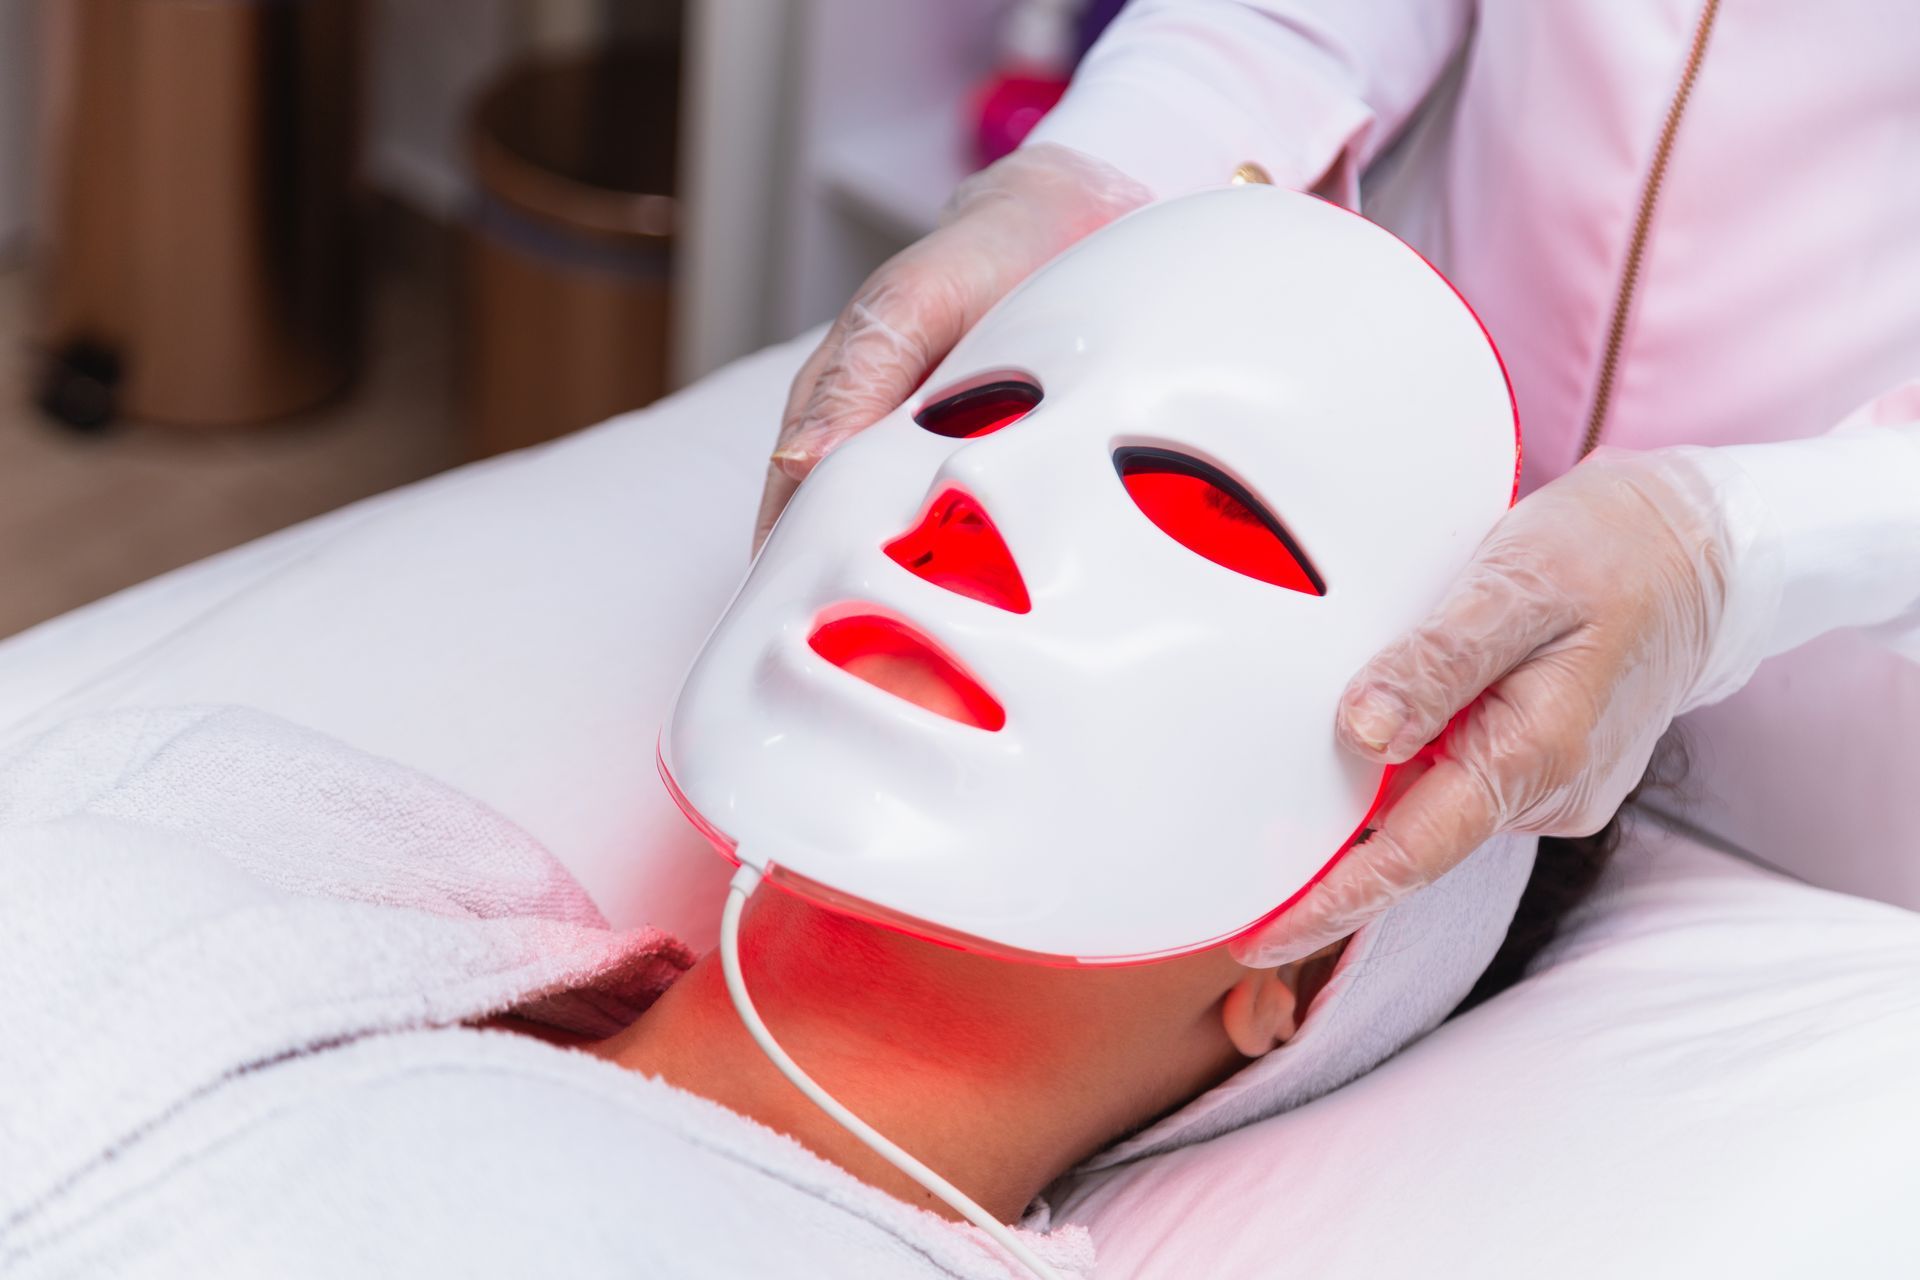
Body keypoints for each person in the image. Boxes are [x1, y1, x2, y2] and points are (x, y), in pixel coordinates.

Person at [756, 1, 1920, 969]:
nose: (971, 493)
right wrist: (1111, 163)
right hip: (1393, 515)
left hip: (1850, 753)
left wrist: (1742, 554)